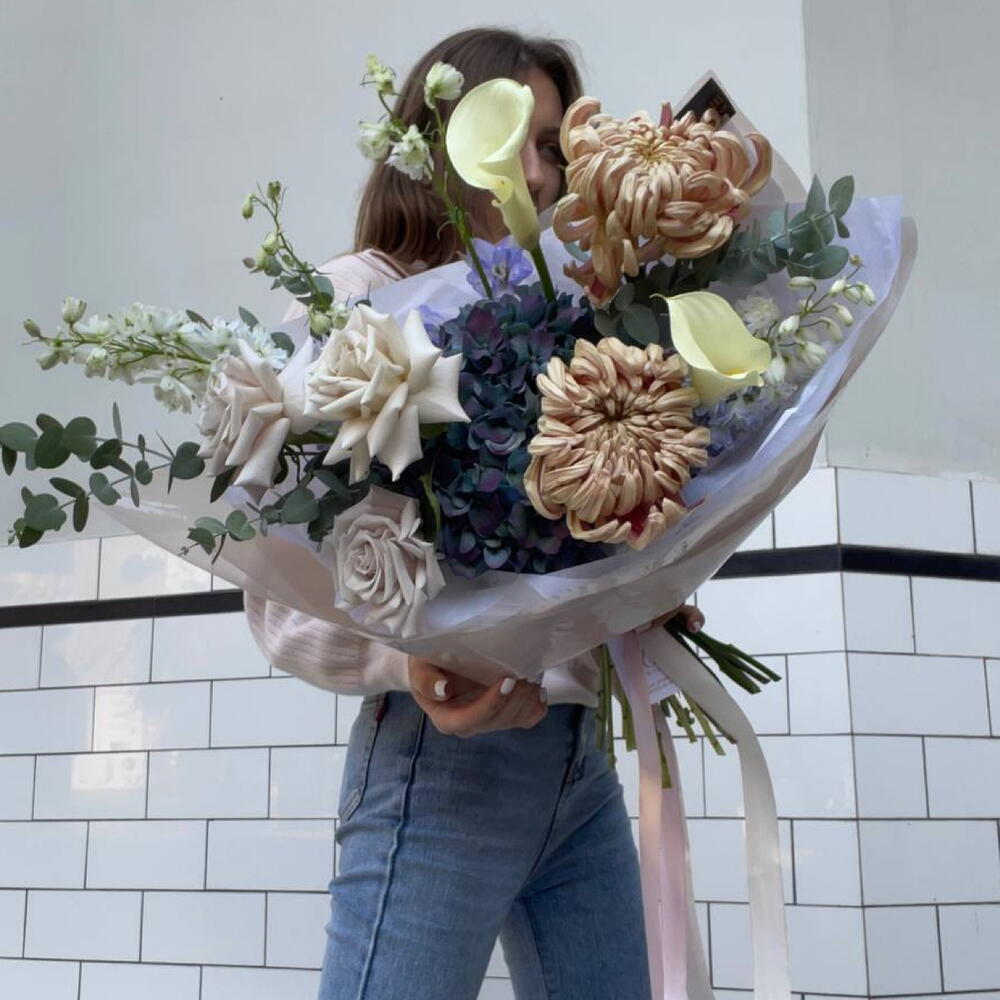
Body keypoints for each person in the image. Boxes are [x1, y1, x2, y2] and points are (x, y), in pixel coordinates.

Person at [244, 26, 705, 1000]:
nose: (540, 174)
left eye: (553, 147)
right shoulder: (357, 300)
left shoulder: (574, 314)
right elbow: (278, 596)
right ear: (438, 142)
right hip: (441, 760)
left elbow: (557, 546)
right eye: (520, 139)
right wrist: (411, 660)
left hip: (578, 762)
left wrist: (640, 599)